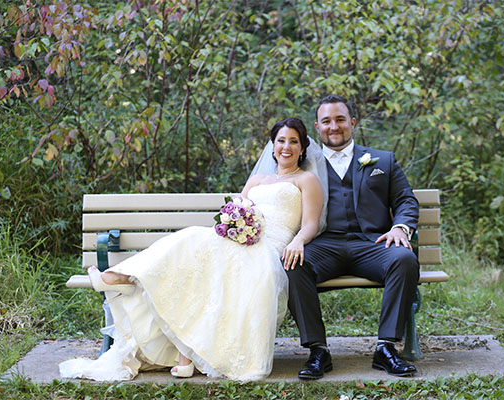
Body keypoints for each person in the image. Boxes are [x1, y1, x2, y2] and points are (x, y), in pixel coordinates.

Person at [59, 117, 325, 382]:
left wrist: (298, 240)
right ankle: (130, 279)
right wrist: (232, 224)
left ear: (302, 148)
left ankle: (182, 351)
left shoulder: (306, 179)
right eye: (281, 140)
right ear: (272, 144)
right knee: (191, 241)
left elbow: (310, 223)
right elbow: (238, 209)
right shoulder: (257, 179)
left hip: (270, 246)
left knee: (209, 262)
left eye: (293, 141)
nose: (286, 147)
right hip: (238, 241)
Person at [286, 95, 420, 379]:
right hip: (323, 244)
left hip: (372, 244)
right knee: (294, 263)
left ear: (353, 123)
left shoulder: (382, 160)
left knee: (404, 259)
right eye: (326, 121)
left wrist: (400, 228)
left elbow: (406, 200)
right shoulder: (303, 163)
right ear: (317, 127)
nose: (334, 126)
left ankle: (386, 348)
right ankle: (318, 351)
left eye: (340, 120)